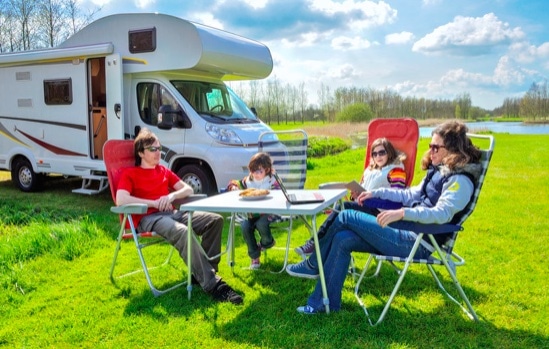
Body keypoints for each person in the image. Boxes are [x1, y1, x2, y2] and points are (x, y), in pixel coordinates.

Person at [287, 120, 482, 314]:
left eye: (435, 147)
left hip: (417, 243)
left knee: (346, 216)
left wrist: (402, 212)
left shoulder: (461, 181)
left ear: (452, 149)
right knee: (341, 239)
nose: (430, 151)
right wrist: (377, 194)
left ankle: (313, 264)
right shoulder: (439, 171)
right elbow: (410, 194)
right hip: (404, 230)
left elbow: (441, 214)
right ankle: (322, 304)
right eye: (430, 146)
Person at [116, 128, 243, 304]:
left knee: (214, 220)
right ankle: (214, 285)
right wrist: (154, 203)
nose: (158, 152)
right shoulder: (130, 173)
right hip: (150, 218)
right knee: (183, 232)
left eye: (159, 148)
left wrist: (171, 196)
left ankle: (204, 273)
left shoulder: (163, 171)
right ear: (140, 153)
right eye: (152, 149)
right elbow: (121, 199)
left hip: (172, 212)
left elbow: (188, 189)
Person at [293, 138, 407, 260]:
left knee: (344, 207)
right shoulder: (370, 170)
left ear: (389, 152)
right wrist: (355, 195)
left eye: (382, 152)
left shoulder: (396, 170)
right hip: (365, 208)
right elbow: (362, 191)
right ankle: (320, 255)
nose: (378, 156)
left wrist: (368, 200)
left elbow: (396, 200)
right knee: (340, 224)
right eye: (374, 153)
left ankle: (315, 242)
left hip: (380, 214)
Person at [227, 152, 280, 270]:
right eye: (253, 171)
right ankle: (254, 257)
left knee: (261, 223)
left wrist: (275, 177)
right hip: (251, 214)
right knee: (245, 226)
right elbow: (234, 182)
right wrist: (233, 187)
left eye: (259, 171)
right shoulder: (248, 180)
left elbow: (280, 192)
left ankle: (267, 243)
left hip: (269, 212)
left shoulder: (272, 180)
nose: (256, 174)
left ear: (267, 169)